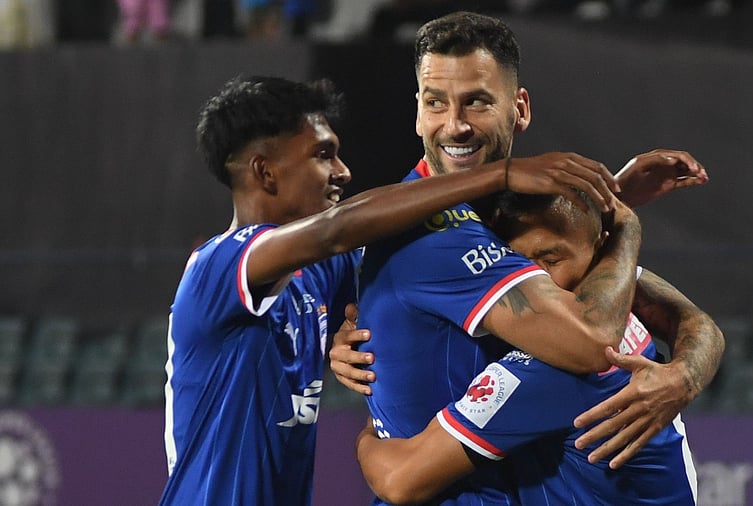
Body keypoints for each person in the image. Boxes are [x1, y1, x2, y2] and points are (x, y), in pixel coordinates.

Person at [159, 74, 625, 506]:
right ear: (265, 172)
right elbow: (337, 229)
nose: (342, 171)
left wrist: (604, 200)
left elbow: (419, 268)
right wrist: (497, 174)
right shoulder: (216, 267)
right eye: (323, 155)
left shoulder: (320, 273)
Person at [329, 10, 723, 503]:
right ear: (416, 110)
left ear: (519, 107)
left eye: (476, 102)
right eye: (436, 103)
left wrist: (681, 377)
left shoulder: (522, 228)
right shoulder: (435, 233)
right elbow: (594, 334)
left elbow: (678, 321)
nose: (455, 125)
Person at [355, 191, 717, 505]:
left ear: (601, 246)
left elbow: (400, 481)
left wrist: (371, 430)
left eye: (552, 259)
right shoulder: (613, 299)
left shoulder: (556, 366)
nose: (538, 278)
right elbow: (691, 320)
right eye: (522, 262)